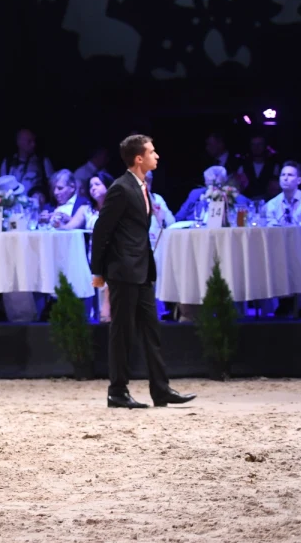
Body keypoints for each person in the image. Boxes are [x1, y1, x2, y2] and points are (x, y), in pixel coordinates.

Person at [91, 135, 195, 410]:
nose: (156, 155)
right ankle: (117, 391)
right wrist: (97, 272)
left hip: (142, 271)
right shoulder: (121, 188)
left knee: (152, 331)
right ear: (139, 158)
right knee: (122, 333)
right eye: (151, 151)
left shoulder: (142, 187)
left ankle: (160, 390)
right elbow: (102, 231)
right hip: (123, 271)